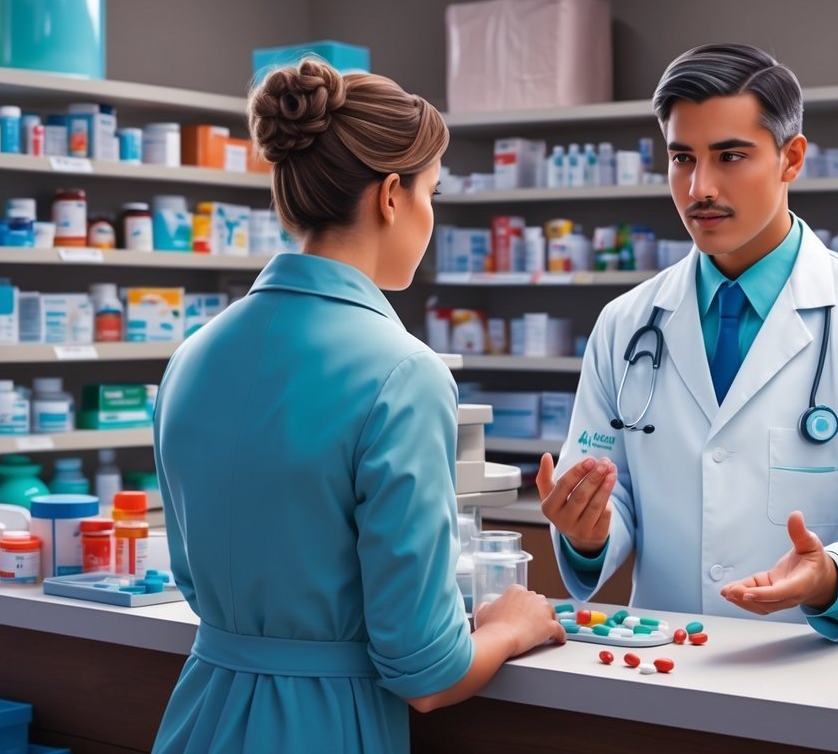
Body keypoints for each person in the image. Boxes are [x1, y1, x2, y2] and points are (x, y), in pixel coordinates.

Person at [152, 59, 564, 753]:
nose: (430, 217)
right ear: (392, 196)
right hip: (323, 728)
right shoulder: (403, 372)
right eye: (432, 192)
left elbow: (196, 581)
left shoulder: (193, 356)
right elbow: (426, 672)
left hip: (200, 715)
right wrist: (512, 624)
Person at [539, 43, 838, 641]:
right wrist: (588, 534)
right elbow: (614, 496)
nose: (700, 187)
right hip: (662, 665)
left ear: (791, 160)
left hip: (808, 669)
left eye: (730, 155)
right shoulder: (626, 323)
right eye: (682, 158)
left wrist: (835, 576)